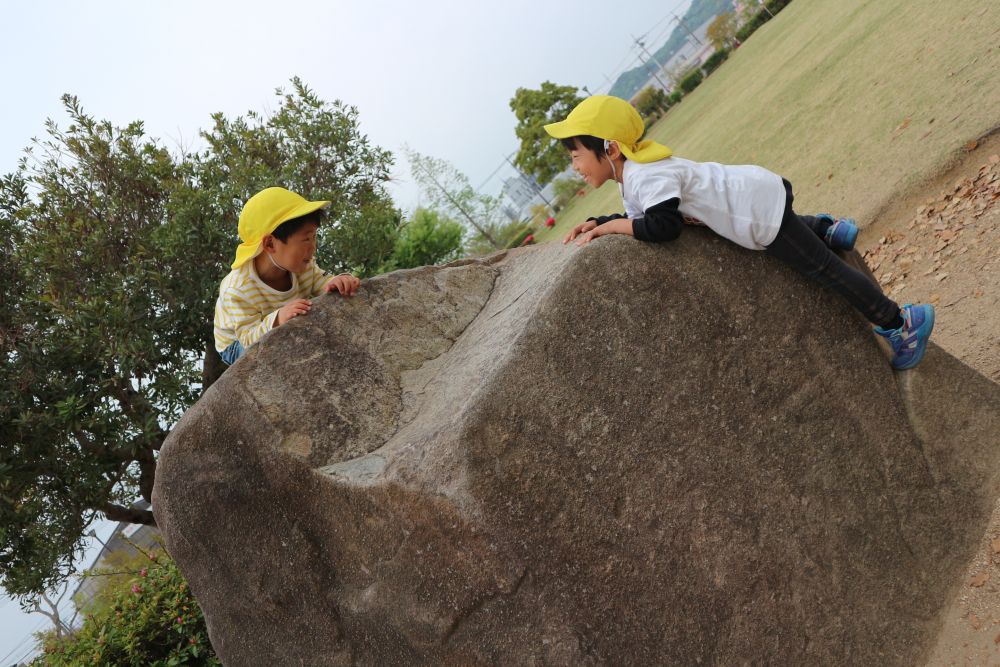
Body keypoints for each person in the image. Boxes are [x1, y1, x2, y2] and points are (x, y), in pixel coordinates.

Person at [544, 95, 934, 370]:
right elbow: (643, 213)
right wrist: (600, 221)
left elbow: (663, 226)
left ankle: (901, 322)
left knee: (826, 272)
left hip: (758, 210)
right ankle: (827, 229)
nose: (575, 165)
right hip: (755, 196)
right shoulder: (632, 176)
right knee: (802, 238)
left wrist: (614, 226)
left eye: (576, 154)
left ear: (610, 149)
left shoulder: (647, 174)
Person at [213, 187, 360, 365]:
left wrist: (336, 282)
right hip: (236, 343)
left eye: (314, 237)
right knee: (269, 354)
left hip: (280, 319)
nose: (313, 247)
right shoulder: (238, 289)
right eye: (306, 239)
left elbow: (322, 282)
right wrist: (278, 319)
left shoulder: (301, 265)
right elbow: (247, 338)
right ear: (270, 243)